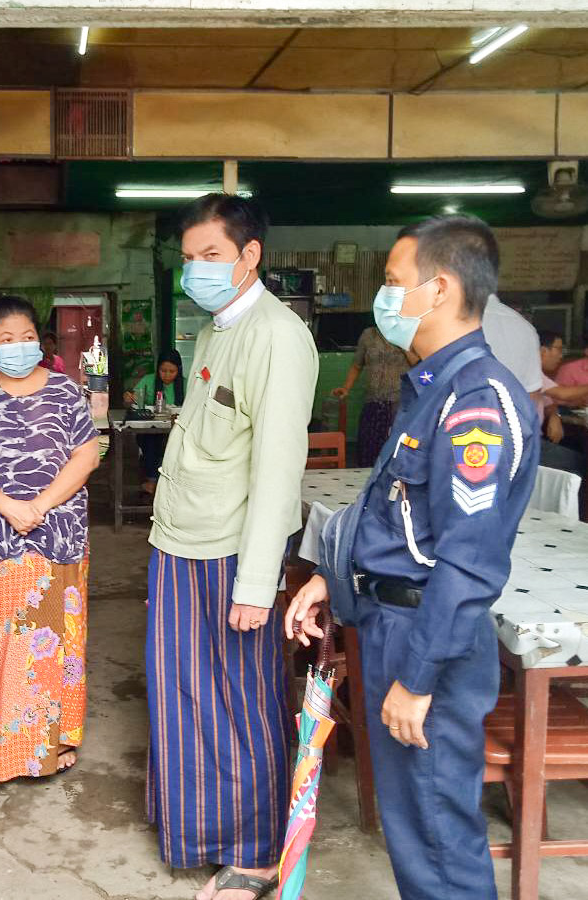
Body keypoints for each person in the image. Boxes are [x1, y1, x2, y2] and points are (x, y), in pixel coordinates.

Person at [288, 215, 539, 900]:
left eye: (394, 282)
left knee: (436, 835)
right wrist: (331, 579)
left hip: (428, 637)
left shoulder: (477, 404)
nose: (385, 296)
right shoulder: (431, 389)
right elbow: (397, 517)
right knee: (414, 827)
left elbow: (468, 562)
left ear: (441, 288)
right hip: (396, 625)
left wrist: (419, 678)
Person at [147, 195, 318, 900]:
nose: (197, 269)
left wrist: (255, 584)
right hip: (181, 539)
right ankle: (202, 832)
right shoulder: (216, 328)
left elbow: (278, 470)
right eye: (189, 257)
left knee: (242, 701)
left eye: (211, 255)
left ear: (250, 256)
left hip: (229, 552)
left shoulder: (277, 335)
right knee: (186, 696)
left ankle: (256, 851)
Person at [0, 296, 100, 782]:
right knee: (3, 646)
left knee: (58, 640)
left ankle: (56, 743)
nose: (19, 346)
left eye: (28, 337)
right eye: (7, 339)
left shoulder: (66, 391)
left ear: (42, 341)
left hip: (57, 533)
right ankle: (12, 751)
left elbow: (86, 456)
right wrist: (10, 507)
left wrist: (40, 504)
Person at [331, 326, 407, 467]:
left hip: (399, 402)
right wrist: (346, 388)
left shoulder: (407, 333)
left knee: (395, 449)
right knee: (368, 448)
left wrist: (403, 342)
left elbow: (419, 362)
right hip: (373, 400)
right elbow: (357, 365)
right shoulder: (368, 334)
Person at [123, 349, 185, 493]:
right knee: (150, 440)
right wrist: (129, 398)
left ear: (178, 370)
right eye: (163, 371)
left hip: (176, 428)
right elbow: (133, 399)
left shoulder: (186, 384)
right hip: (151, 427)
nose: (167, 375)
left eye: (172, 371)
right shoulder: (148, 380)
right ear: (157, 369)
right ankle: (152, 480)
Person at [537, 329, 588, 473]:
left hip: (539, 438)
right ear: (543, 350)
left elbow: (549, 402)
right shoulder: (529, 372)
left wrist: (554, 416)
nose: (561, 356)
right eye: (559, 349)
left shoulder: (539, 375)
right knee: (580, 464)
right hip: (528, 444)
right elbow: (561, 394)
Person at [482, 293, 543, 409]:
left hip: (460, 415)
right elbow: (532, 394)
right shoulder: (526, 328)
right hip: (512, 416)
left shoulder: (451, 321)